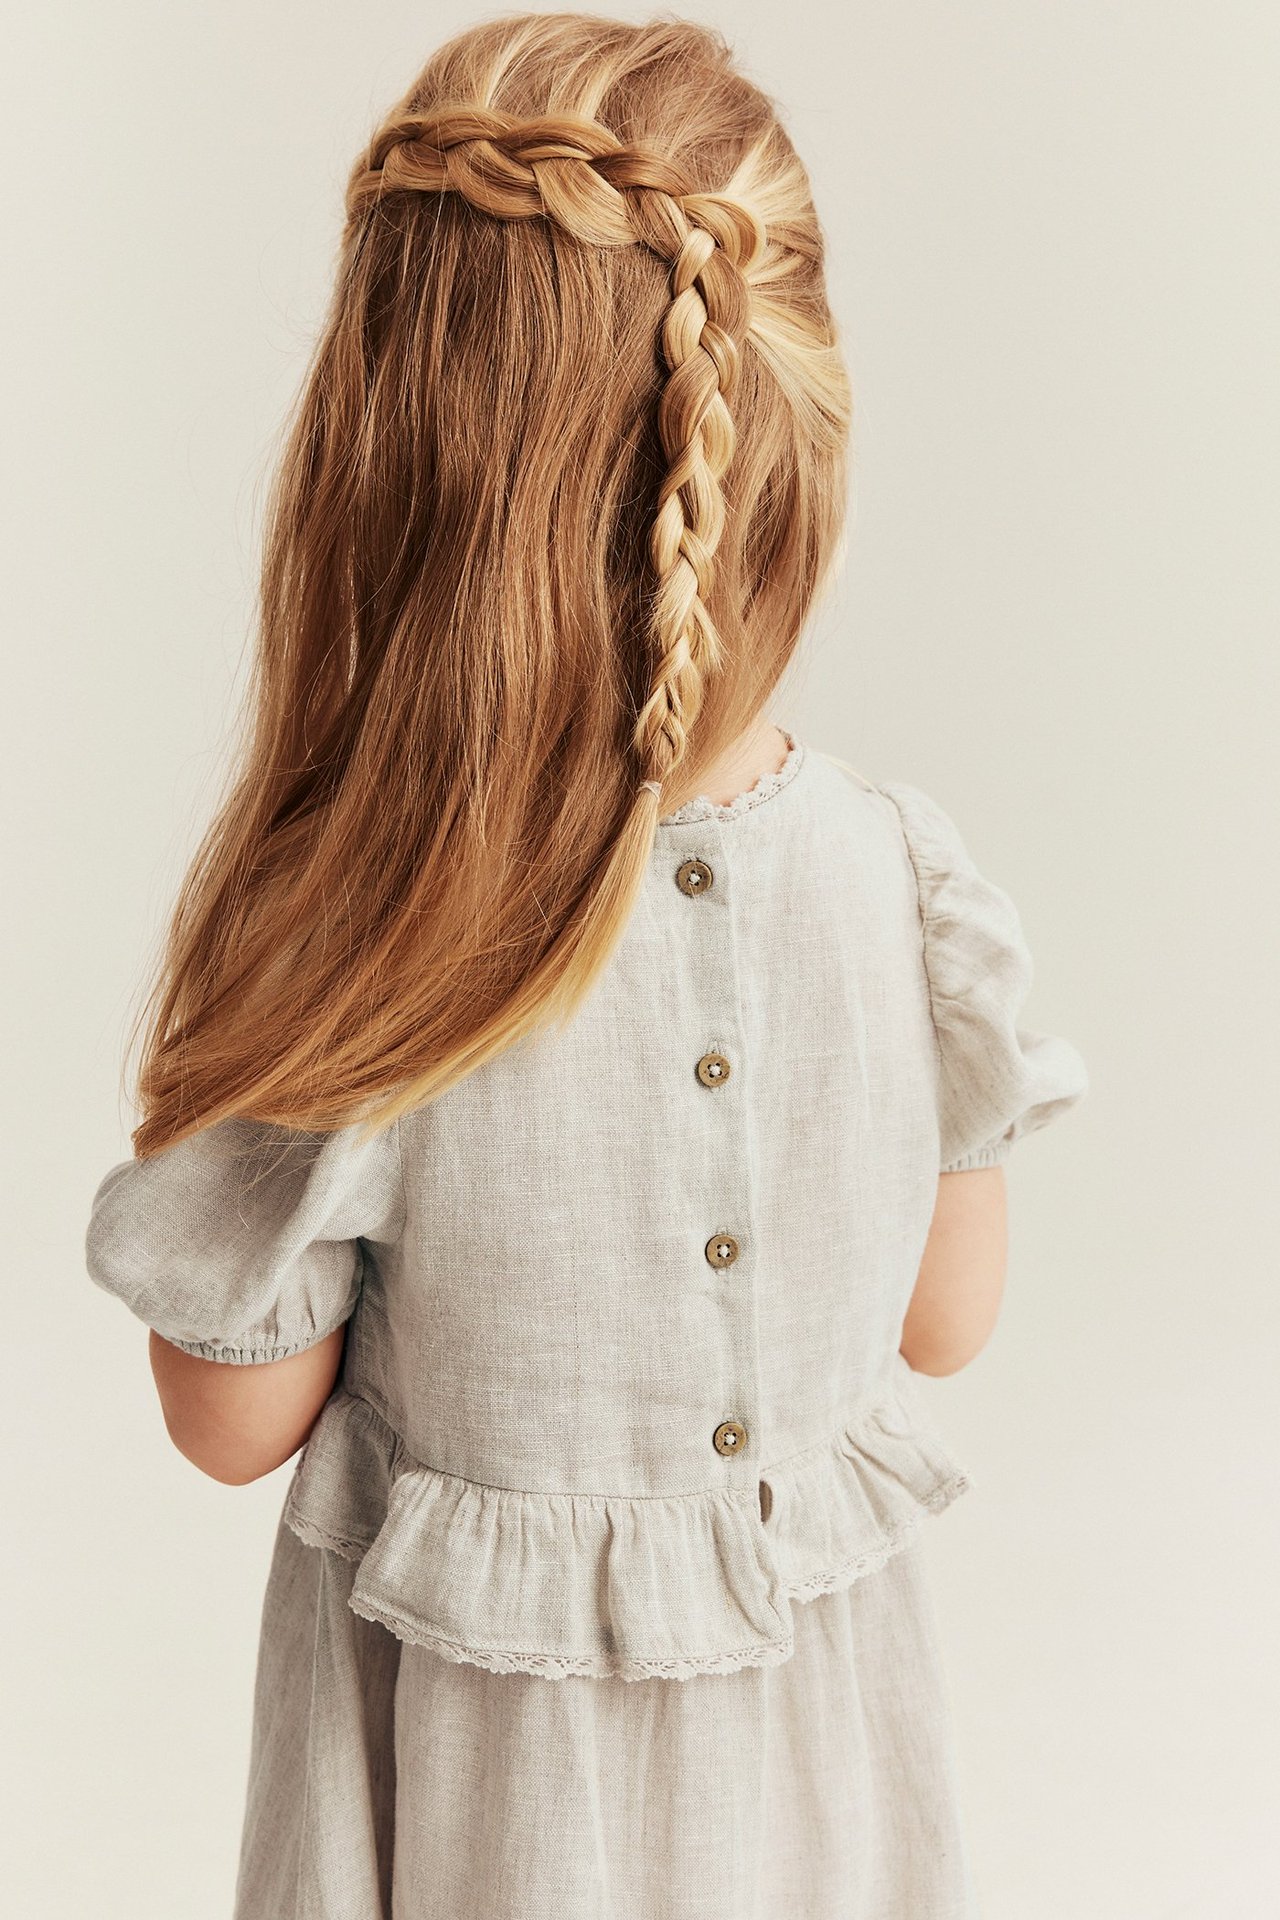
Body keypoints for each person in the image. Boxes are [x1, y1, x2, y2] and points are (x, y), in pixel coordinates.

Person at [83, 13, 1088, 1917]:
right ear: (795, 443)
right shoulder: (903, 878)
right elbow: (947, 1319)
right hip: (819, 1790)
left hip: (481, 1822)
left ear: (386, 486)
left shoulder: (377, 946)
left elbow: (228, 1425)